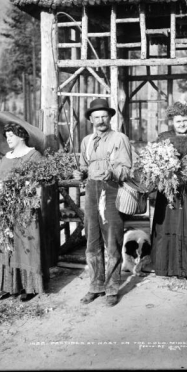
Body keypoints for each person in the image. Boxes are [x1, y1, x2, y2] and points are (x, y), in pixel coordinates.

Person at [73, 98, 132, 307]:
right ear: (90, 119)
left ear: (110, 117)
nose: (100, 120)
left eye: (104, 116)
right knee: (92, 239)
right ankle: (96, 286)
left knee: (112, 239)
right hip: (91, 189)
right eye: (96, 117)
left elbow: (126, 168)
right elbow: (82, 166)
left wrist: (113, 171)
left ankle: (112, 288)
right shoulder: (86, 141)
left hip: (112, 189)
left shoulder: (120, 138)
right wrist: (79, 172)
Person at [0, 111, 49, 302]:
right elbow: (1, 179)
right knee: (6, 245)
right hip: (6, 208)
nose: (8, 140)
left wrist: (30, 195)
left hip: (25, 207)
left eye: (11, 136)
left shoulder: (34, 156)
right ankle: (7, 286)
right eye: (6, 137)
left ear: (21, 135)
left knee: (26, 245)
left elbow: (40, 183)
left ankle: (29, 287)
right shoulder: (6, 157)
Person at [150, 101, 187, 279]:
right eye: (178, 121)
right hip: (169, 191)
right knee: (168, 226)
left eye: (185, 120)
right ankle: (167, 267)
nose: (183, 124)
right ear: (171, 122)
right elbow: (155, 161)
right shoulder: (163, 138)